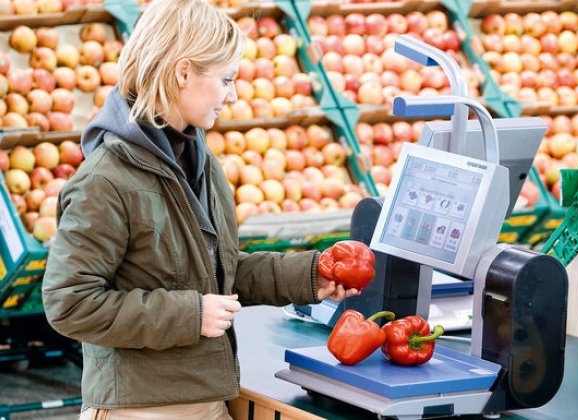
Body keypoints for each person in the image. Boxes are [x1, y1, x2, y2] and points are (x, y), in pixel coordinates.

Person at [41, 1, 363, 418]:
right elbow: (69, 304)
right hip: (141, 410)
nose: (233, 95)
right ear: (183, 71)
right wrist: (189, 315)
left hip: (208, 401)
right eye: (226, 79)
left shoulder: (198, 159)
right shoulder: (106, 180)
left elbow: (217, 273)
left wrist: (308, 276)